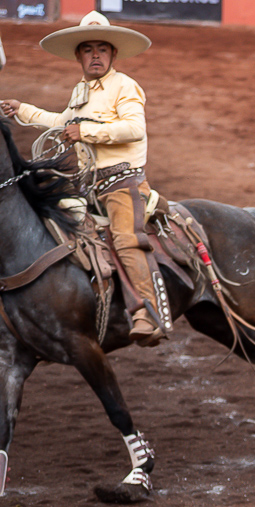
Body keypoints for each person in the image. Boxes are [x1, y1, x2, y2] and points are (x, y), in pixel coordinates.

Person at [1, 11, 166, 346]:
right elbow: (61, 121)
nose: (95, 55)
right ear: (78, 55)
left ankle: (146, 313)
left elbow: (135, 129)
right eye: (88, 49)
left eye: (101, 49)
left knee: (124, 238)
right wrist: (22, 109)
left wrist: (86, 132)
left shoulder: (125, 85)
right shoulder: (81, 91)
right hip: (87, 185)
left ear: (113, 54)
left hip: (122, 183)